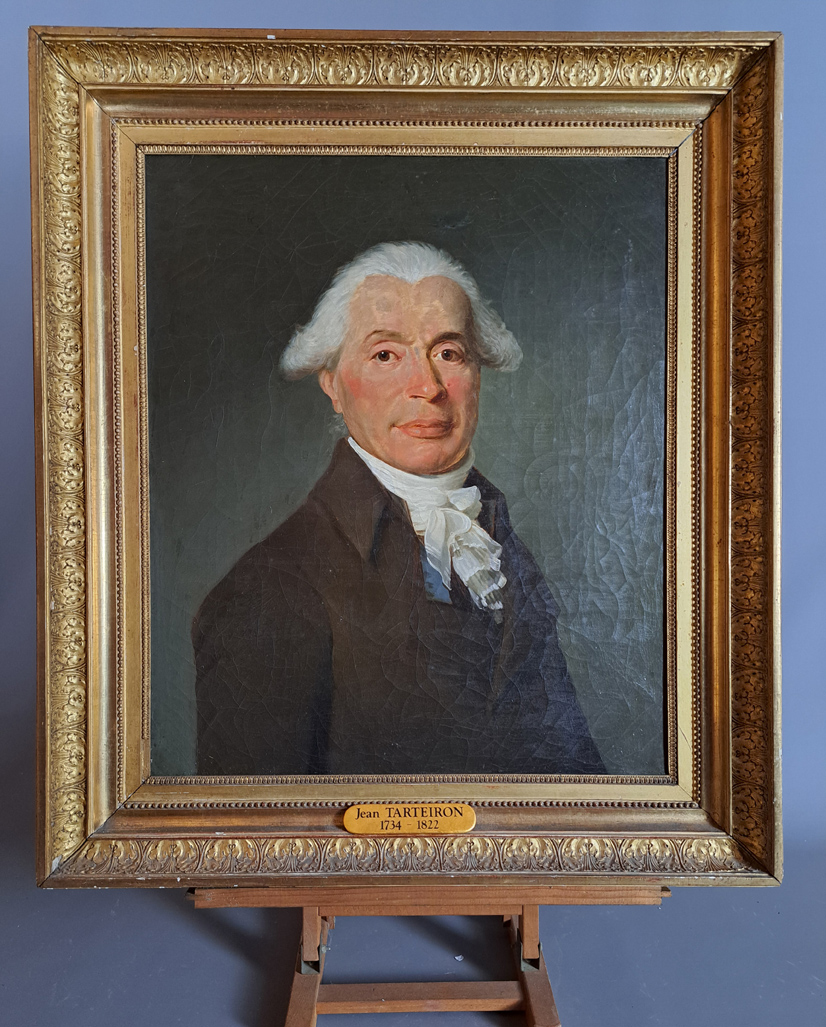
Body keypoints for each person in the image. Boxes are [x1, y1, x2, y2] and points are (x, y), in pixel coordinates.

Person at [194, 242, 604, 776]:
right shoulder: (267, 587)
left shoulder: (497, 545)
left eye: (448, 353)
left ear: (477, 374)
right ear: (333, 384)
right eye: (386, 355)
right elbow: (258, 822)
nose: (427, 387)